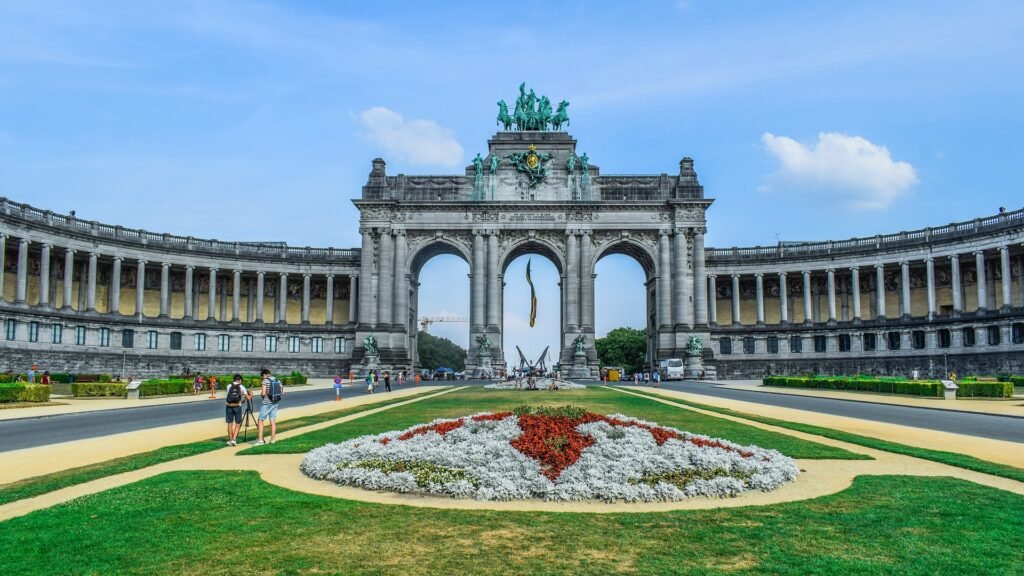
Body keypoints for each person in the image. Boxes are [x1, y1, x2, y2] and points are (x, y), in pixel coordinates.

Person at [254, 368, 283, 446]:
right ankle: (272, 439)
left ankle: (260, 440)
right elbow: (282, 393)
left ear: (264, 374)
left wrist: (262, 394)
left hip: (267, 403)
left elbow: (263, 393)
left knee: (260, 420)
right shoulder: (278, 380)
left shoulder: (265, 381)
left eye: (262, 376)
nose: (262, 378)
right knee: (272, 421)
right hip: (275, 402)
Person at [224, 374, 251, 446]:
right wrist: (251, 394)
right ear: (240, 380)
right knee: (238, 423)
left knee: (230, 423)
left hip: (229, 406)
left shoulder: (228, 386)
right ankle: (234, 439)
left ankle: (230, 440)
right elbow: (248, 398)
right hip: (237, 406)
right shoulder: (242, 387)